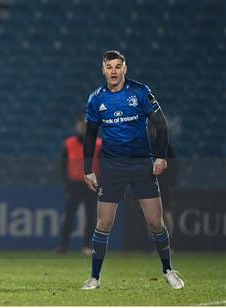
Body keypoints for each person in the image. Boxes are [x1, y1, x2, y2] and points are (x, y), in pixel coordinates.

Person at [81, 50, 183, 290]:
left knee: (156, 223)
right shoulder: (96, 98)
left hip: (140, 165)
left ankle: (168, 270)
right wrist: (88, 169)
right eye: (109, 67)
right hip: (112, 167)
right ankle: (95, 278)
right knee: (103, 223)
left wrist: (160, 156)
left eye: (118, 66)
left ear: (125, 68)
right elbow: (90, 134)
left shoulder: (140, 91)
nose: (114, 71)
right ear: (103, 70)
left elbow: (161, 124)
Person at [57, 114, 101, 255]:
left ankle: (87, 245)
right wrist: (66, 183)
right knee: (70, 215)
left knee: (90, 216)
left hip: (91, 184)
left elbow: (104, 165)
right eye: (81, 124)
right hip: (74, 184)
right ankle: (63, 245)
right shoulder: (69, 143)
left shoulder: (99, 144)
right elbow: (63, 165)